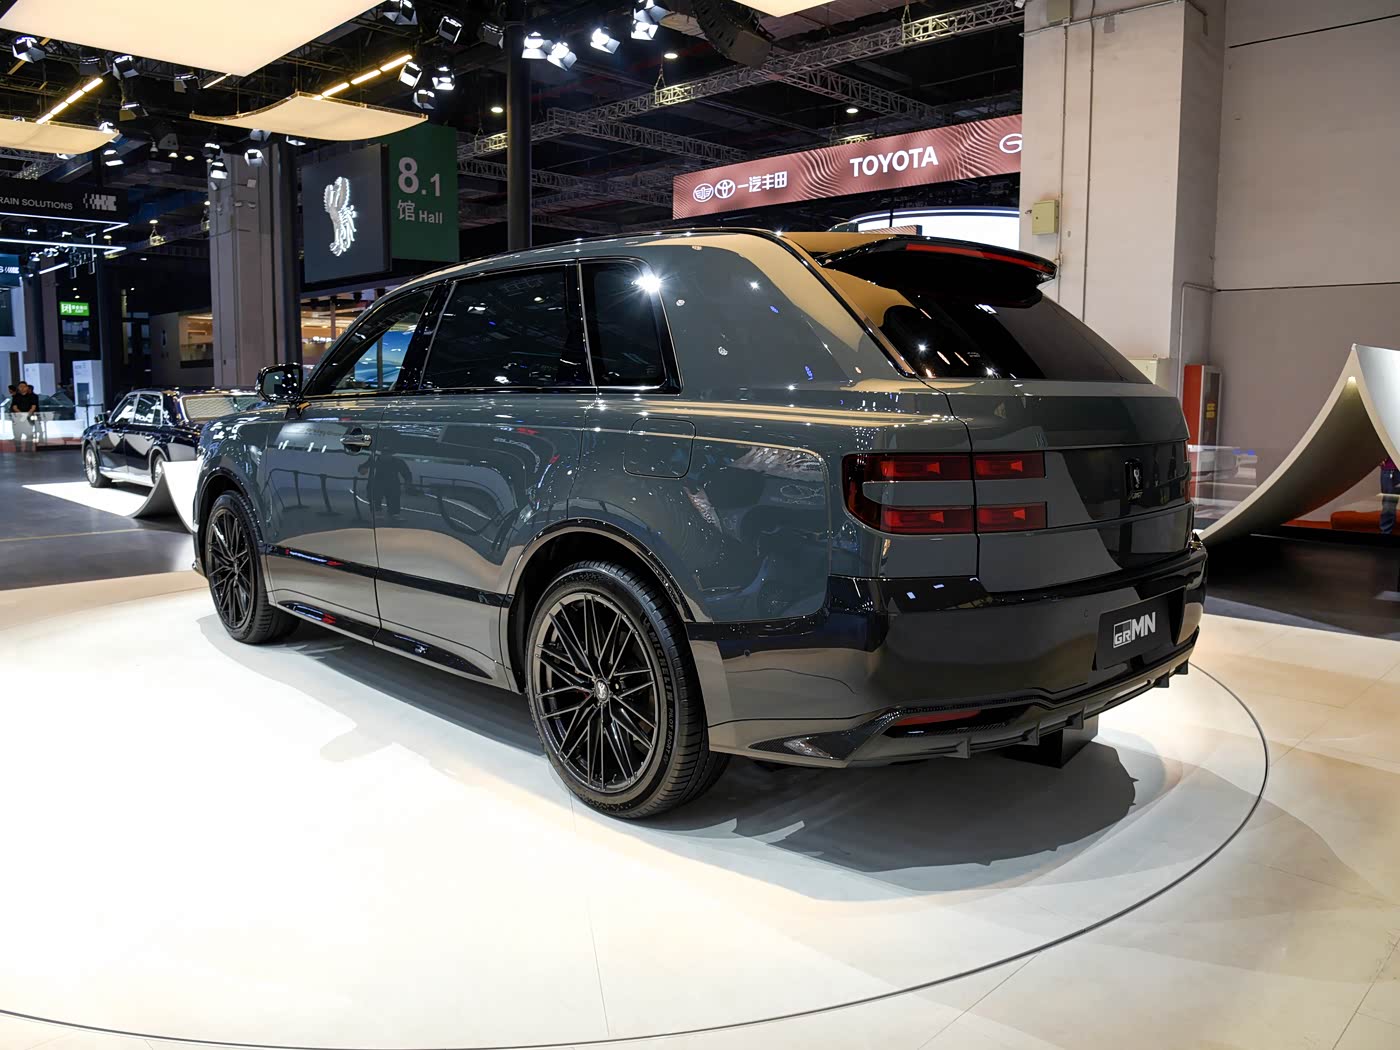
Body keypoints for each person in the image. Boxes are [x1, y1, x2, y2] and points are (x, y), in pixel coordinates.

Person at [9, 381, 38, 453]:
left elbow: (33, 407)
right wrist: (22, 415)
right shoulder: (16, 396)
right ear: (18, 388)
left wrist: (27, 415)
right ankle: (18, 449)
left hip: (29, 418)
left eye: (24, 386)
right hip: (18, 418)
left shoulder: (32, 396)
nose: (22, 388)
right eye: (20, 386)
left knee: (29, 434)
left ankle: (28, 449)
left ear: (27, 387)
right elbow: (14, 407)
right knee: (17, 435)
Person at [1381, 457, 1399, 535]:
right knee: (1389, 502)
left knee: (1389, 502)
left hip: (1390, 468)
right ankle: (1386, 531)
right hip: (1391, 468)